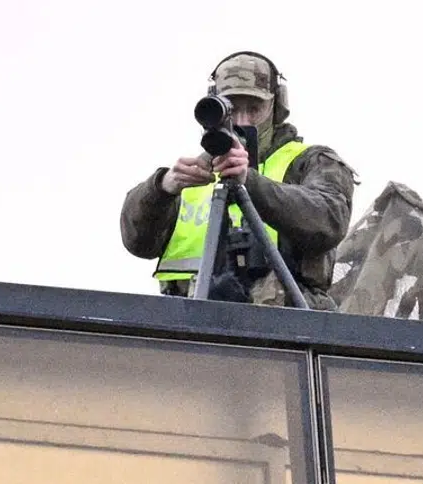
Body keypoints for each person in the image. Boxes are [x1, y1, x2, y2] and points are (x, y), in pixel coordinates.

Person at [119, 51, 358, 309]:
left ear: (276, 107)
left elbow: (329, 219)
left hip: (286, 328)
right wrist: (162, 188)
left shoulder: (309, 161)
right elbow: (137, 242)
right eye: (231, 108)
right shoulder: (190, 176)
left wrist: (250, 183)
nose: (242, 121)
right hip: (192, 330)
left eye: (254, 109)